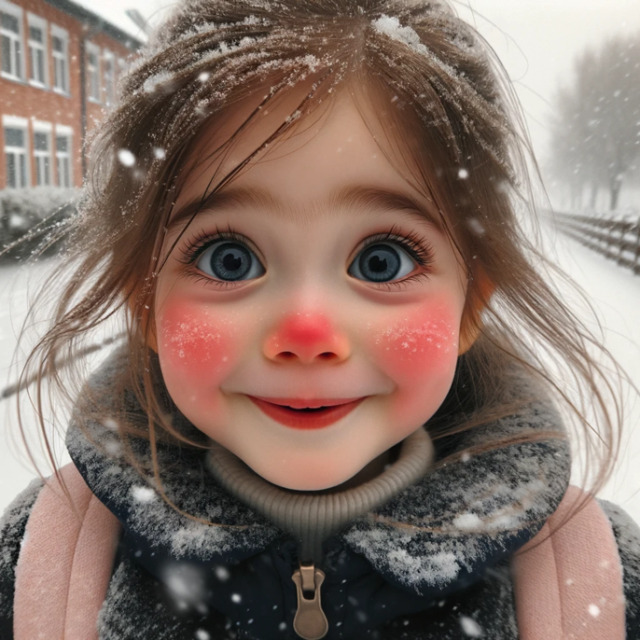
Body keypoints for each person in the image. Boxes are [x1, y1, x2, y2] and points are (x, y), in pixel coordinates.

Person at [1, 1, 639, 638]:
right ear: (145, 300)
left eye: (381, 261)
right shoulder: (43, 562)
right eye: (230, 259)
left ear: (470, 304)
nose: (307, 336)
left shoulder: (595, 580)